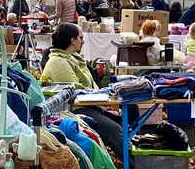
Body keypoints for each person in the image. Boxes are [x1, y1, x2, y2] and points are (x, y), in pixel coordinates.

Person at [40, 22, 137, 161]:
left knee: (131, 108)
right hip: (76, 109)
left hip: (90, 104)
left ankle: (136, 153)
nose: (83, 41)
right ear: (72, 40)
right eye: (80, 37)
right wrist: (105, 101)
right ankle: (136, 168)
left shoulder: (73, 58)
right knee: (114, 130)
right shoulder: (58, 62)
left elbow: (89, 88)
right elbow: (75, 91)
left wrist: (105, 100)